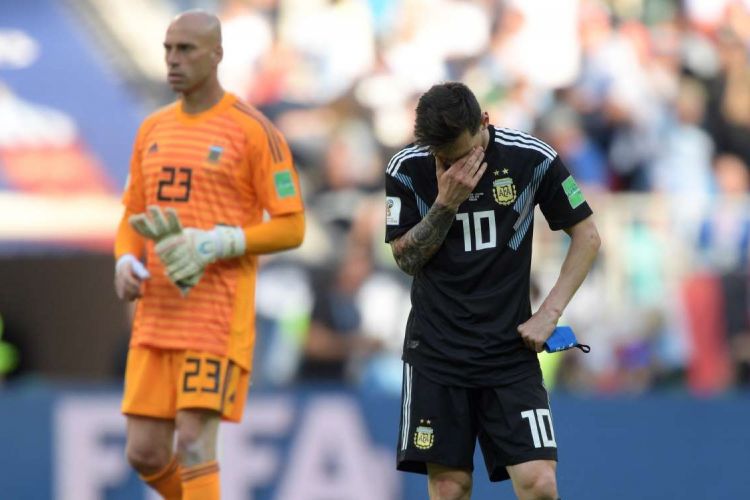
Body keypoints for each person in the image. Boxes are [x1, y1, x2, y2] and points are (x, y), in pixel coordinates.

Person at [113, 10, 304, 500]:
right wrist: (125, 261)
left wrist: (219, 241)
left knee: (195, 442)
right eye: (168, 50)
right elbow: (133, 214)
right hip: (155, 314)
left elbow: (293, 225)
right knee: (145, 453)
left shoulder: (253, 131)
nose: (173, 61)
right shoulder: (152, 128)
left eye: (186, 50)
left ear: (217, 54)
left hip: (215, 316)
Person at [385, 82, 600, 500]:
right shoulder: (406, 169)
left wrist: (549, 313)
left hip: (507, 351)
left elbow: (587, 236)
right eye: (442, 158)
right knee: (450, 487)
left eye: (462, 155)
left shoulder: (532, 159)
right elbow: (406, 260)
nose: (453, 167)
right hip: (437, 351)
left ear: (484, 122)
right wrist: (445, 204)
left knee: (539, 482)